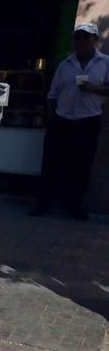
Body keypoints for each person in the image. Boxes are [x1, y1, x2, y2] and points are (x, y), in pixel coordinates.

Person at [32, 22, 109, 219]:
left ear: (95, 40)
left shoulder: (105, 63)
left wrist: (94, 88)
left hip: (88, 120)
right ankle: (44, 203)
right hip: (62, 119)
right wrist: (52, 118)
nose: (82, 41)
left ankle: (74, 206)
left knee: (81, 166)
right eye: (78, 37)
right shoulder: (65, 63)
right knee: (51, 163)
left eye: (87, 37)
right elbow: (53, 94)